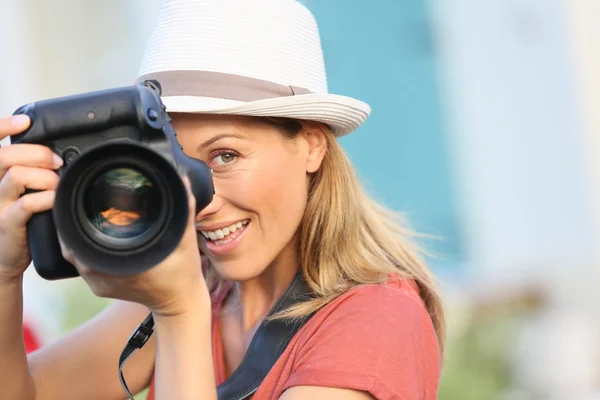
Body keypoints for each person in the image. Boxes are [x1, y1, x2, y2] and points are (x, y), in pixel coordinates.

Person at [0, 0, 445, 399]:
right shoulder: (203, 285)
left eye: (225, 155)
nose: (199, 198)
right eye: (176, 163)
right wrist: (4, 274)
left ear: (311, 145)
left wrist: (179, 312)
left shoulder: (379, 319)